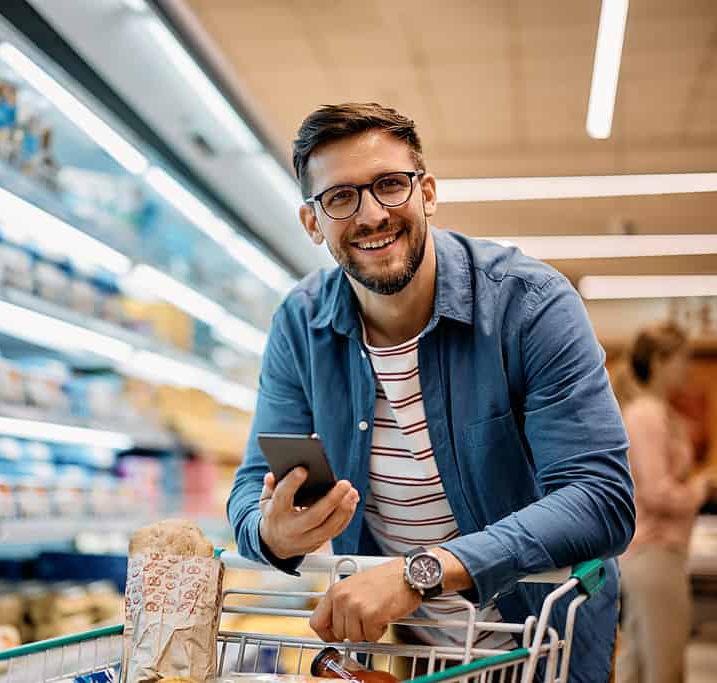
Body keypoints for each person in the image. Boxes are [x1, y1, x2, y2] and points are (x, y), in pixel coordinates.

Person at [226, 102, 635, 683]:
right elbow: (249, 488)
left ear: (428, 193)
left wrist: (422, 571)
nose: (371, 214)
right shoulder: (302, 324)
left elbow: (601, 498)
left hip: (541, 644)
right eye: (340, 198)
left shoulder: (530, 306)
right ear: (313, 222)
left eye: (390, 185)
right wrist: (270, 531)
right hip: (407, 655)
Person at [612, 324, 711, 683]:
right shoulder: (647, 416)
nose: (688, 367)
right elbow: (655, 492)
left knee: (639, 662)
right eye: (682, 358)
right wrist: (702, 488)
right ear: (659, 361)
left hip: (653, 554)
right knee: (665, 666)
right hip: (654, 553)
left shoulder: (657, 413)